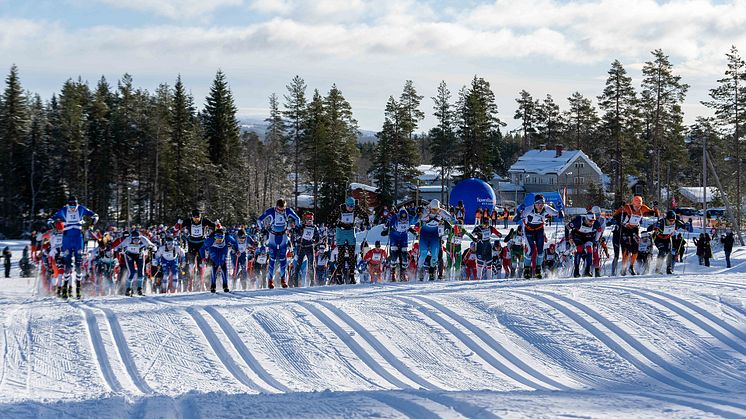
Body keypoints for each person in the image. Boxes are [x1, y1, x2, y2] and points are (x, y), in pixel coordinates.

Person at [48, 196, 99, 298]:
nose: (72, 208)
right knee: (67, 265)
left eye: (74, 206)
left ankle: (78, 289)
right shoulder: (63, 210)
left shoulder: (81, 208)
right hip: (67, 239)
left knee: (78, 264)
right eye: (71, 206)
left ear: (76, 204)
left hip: (78, 239)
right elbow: (50, 219)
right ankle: (65, 289)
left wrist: (92, 224)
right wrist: (52, 225)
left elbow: (95, 215)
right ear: (68, 204)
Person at [257, 199, 301, 289]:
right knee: (272, 260)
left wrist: (297, 227)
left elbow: (297, 218)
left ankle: (283, 280)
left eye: (282, 209)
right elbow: (259, 220)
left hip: (283, 236)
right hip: (273, 237)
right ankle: (270, 281)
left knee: (283, 259)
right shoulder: (271, 211)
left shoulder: (288, 211)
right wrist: (262, 229)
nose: (281, 211)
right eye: (279, 209)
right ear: (276, 207)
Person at [611, 196, 659, 276]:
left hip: (634, 230)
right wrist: (621, 210)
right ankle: (623, 268)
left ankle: (631, 267)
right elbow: (615, 216)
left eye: (639, 205)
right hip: (624, 230)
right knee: (626, 250)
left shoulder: (643, 208)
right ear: (633, 203)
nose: (638, 208)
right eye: (636, 206)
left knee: (635, 250)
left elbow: (655, 214)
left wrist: (655, 208)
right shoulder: (626, 208)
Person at [328, 197, 369, 284]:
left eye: (352, 206)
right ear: (346, 205)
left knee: (351, 254)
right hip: (341, 231)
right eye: (349, 206)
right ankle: (339, 275)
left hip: (350, 230)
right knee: (341, 253)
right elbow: (331, 217)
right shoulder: (340, 208)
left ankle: (351, 275)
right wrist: (332, 224)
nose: (351, 208)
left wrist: (367, 222)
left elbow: (365, 214)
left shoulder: (356, 208)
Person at [413, 199, 457, 281]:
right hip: (425, 234)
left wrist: (455, 223)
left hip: (434, 235)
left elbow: (451, 219)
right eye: (433, 209)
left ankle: (432, 271)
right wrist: (417, 216)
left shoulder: (441, 212)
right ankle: (420, 269)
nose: (435, 211)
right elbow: (413, 221)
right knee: (423, 253)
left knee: (435, 257)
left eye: (436, 209)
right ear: (430, 208)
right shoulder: (425, 212)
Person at [519, 194, 561, 279]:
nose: (540, 205)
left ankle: (538, 270)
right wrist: (519, 213)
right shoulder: (529, 209)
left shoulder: (546, 208)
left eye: (542, 203)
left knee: (541, 251)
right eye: (538, 203)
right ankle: (526, 270)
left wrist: (560, 212)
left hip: (539, 230)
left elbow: (556, 213)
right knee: (531, 250)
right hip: (528, 230)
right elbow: (520, 216)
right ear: (534, 203)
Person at [175, 209, 217, 291]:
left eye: (198, 218)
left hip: (202, 244)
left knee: (201, 264)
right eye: (195, 218)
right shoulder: (188, 221)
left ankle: (202, 282)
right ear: (192, 217)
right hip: (191, 243)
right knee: (191, 265)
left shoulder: (204, 221)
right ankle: (190, 282)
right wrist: (178, 223)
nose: (197, 220)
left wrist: (217, 224)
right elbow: (177, 229)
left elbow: (215, 227)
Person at [113, 229, 157, 296]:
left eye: (138, 239)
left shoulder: (143, 239)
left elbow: (154, 246)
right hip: (129, 255)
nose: (136, 241)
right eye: (134, 239)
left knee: (141, 272)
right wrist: (119, 249)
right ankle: (128, 289)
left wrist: (152, 248)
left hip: (139, 254)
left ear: (140, 237)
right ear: (131, 238)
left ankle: (140, 289)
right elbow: (117, 247)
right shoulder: (127, 240)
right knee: (131, 272)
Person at [199, 227, 239, 293]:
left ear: (223, 237)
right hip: (213, 249)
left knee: (223, 264)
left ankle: (225, 285)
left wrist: (237, 250)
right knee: (215, 264)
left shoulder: (227, 237)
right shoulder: (210, 240)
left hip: (223, 248)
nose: (219, 240)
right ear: (215, 237)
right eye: (217, 238)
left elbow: (234, 242)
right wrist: (203, 257)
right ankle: (213, 286)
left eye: (220, 238)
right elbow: (201, 249)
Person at [382, 207, 416, 282]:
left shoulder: (409, 218)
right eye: (401, 219)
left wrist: (413, 230)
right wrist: (385, 230)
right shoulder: (394, 218)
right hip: (394, 236)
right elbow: (388, 224)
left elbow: (414, 221)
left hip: (404, 237)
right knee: (394, 254)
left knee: (404, 255)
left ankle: (403, 273)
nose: (403, 221)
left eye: (405, 220)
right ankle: (392, 272)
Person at [647, 210, 686, 275]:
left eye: (673, 220)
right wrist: (653, 227)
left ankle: (669, 269)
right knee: (663, 251)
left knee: (669, 252)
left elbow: (684, 225)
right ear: (666, 219)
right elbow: (649, 228)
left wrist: (685, 226)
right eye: (669, 220)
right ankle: (658, 269)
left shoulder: (676, 222)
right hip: (658, 238)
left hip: (668, 238)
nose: (671, 222)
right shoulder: (661, 222)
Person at [567, 211, 603, 277]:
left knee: (590, 249)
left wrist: (596, 241)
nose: (591, 223)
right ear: (586, 219)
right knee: (579, 249)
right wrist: (569, 238)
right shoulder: (578, 221)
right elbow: (567, 227)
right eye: (590, 221)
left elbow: (599, 230)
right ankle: (576, 270)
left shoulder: (595, 223)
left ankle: (587, 270)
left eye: (593, 221)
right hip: (577, 235)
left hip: (588, 236)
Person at [292, 213, 320, 287]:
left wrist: (314, 241)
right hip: (301, 247)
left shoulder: (314, 228)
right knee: (298, 265)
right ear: (305, 220)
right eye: (308, 220)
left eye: (310, 220)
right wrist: (295, 230)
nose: (309, 222)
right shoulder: (302, 227)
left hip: (310, 247)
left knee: (311, 265)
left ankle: (312, 282)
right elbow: (295, 233)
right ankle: (295, 282)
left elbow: (317, 238)